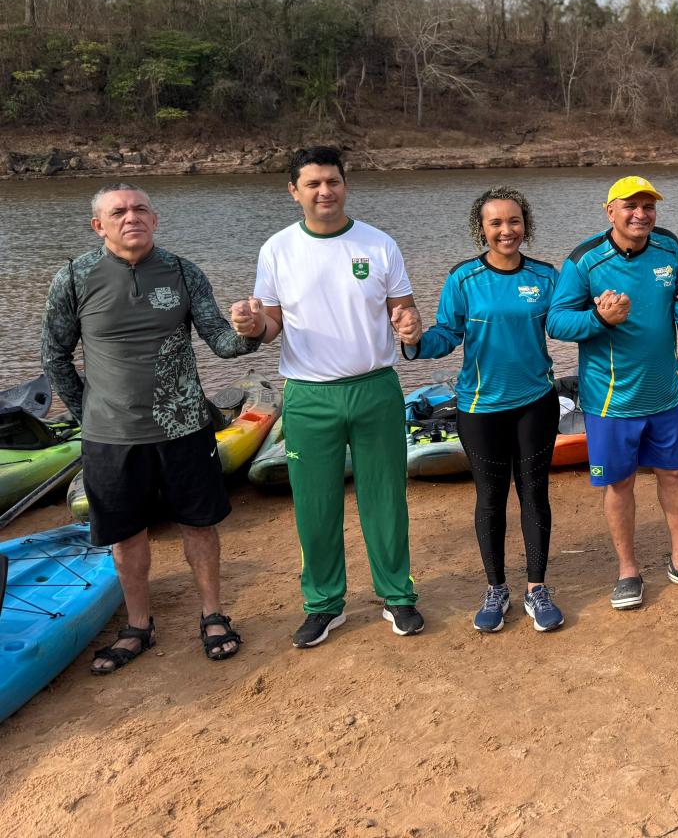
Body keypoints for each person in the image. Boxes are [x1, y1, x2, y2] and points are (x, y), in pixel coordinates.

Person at [40, 183, 256, 673]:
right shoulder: (74, 277)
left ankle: (213, 613)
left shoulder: (182, 271)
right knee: (126, 534)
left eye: (140, 209)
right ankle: (139, 624)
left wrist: (249, 332)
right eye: (118, 211)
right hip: (110, 436)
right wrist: (88, 412)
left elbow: (221, 341)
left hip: (183, 428)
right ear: (99, 225)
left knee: (199, 525)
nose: (130, 217)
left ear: (155, 220)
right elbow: (54, 355)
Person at [235, 146, 425, 647]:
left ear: (345, 185)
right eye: (314, 183)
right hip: (308, 395)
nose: (325, 191)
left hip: (375, 389)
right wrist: (255, 325)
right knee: (315, 505)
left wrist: (410, 324)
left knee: (385, 498)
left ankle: (397, 595)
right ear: (293, 191)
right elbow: (271, 322)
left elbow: (402, 311)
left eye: (334, 181)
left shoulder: (379, 243)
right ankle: (323, 604)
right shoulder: (277, 249)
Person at [545, 175, 678, 609]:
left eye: (648, 206)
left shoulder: (669, 247)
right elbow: (557, 322)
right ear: (610, 212)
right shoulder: (585, 261)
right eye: (630, 206)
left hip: (667, 393)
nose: (641, 214)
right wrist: (601, 321)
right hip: (611, 399)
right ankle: (628, 571)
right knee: (619, 484)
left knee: (675, 475)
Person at [402, 188, 564, 632]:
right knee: (490, 498)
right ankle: (496, 589)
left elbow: (570, 321)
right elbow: (446, 336)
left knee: (534, 494)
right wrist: (413, 341)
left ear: (525, 225)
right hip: (480, 406)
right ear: (482, 229)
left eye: (514, 221)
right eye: (496, 223)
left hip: (536, 402)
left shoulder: (547, 278)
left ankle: (536, 589)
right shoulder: (464, 279)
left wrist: (607, 315)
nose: (506, 230)